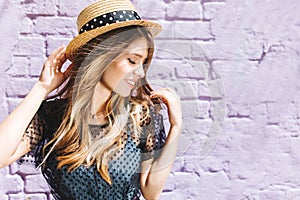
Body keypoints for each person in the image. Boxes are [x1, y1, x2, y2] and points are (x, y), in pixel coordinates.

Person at [0, 0, 182, 199]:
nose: (140, 72)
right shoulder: (53, 117)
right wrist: (41, 88)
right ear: (101, 56)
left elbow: (151, 192)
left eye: (143, 63)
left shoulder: (141, 117)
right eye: (132, 60)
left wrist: (176, 126)